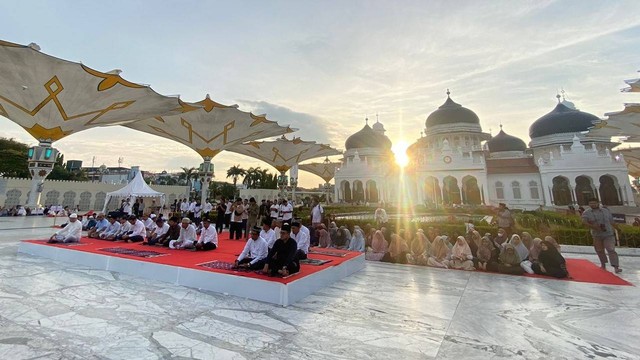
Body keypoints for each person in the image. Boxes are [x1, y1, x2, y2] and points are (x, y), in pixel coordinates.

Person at [581, 198, 621, 273]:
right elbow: (583, 222)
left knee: (611, 249)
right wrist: (594, 227)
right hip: (597, 235)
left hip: (608, 233)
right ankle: (603, 264)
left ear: (598, 203)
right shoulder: (586, 212)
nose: (592, 204)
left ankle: (616, 267)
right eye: (591, 203)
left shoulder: (605, 211)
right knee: (599, 250)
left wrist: (618, 229)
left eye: (594, 203)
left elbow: (611, 221)